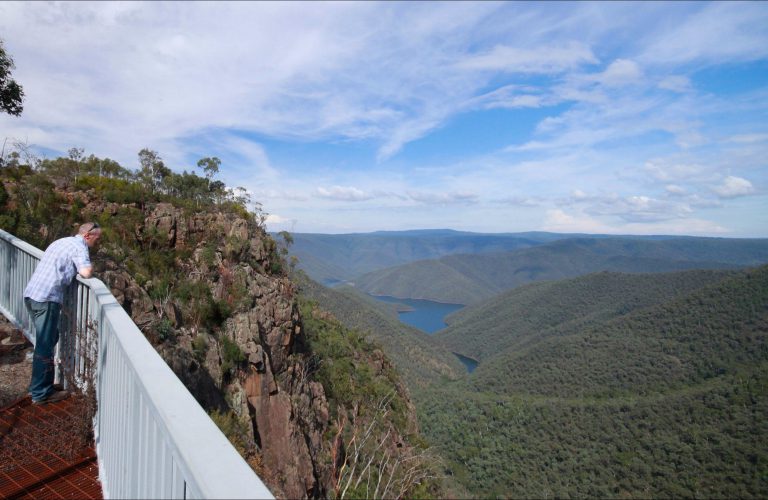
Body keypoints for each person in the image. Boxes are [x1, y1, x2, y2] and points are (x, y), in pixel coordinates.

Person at [23, 222, 102, 404]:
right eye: (97, 238)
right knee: (45, 345)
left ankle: (40, 384)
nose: (97, 243)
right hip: (47, 299)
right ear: (88, 236)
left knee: (49, 339)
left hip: (31, 295)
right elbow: (86, 271)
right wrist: (92, 267)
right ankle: (41, 393)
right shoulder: (79, 247)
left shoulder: (62, 241)